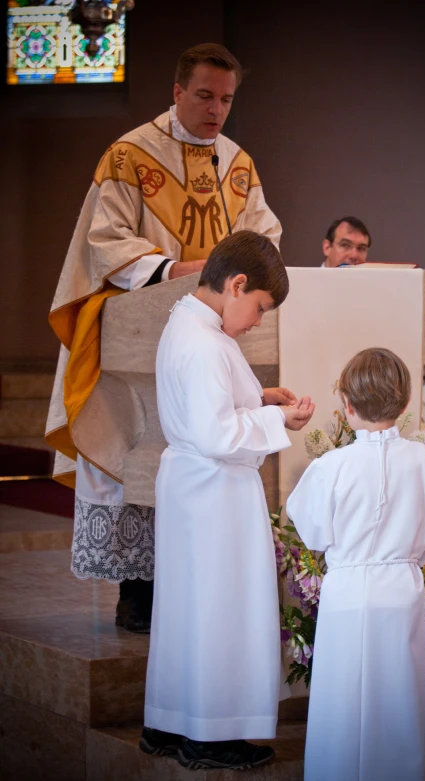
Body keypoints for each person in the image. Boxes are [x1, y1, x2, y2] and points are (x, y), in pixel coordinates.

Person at [45, 43, 281, 632]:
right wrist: (175, 270)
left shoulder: (238, 164)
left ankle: (193, 583)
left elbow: (264, 235)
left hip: (214, 328)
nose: (216, 110)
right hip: (136, 325)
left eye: (227, 99)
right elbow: (106, 239)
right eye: (204, 95)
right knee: (136, 443)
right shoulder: (130, 156)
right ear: (177, 92)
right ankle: (139, 591)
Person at [140, 231, 315, 770]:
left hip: (199, 491)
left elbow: (207, 404)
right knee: (220, 611)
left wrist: (260, 396)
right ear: (236, 285)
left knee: (190, 611)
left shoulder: (192, 323)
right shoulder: (203, 343)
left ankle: (171, 721)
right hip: (213, 493)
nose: (259, 320)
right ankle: (210, 734)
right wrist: (276, 419)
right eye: (260, 307)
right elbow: (216, 433)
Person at [287, 347, 425, 781]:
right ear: (405, 402)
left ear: (347, 405)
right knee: (399, 697)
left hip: (347, 592)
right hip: (402, 587)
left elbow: (314, 533)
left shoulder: (332, 466)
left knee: (341, 702)